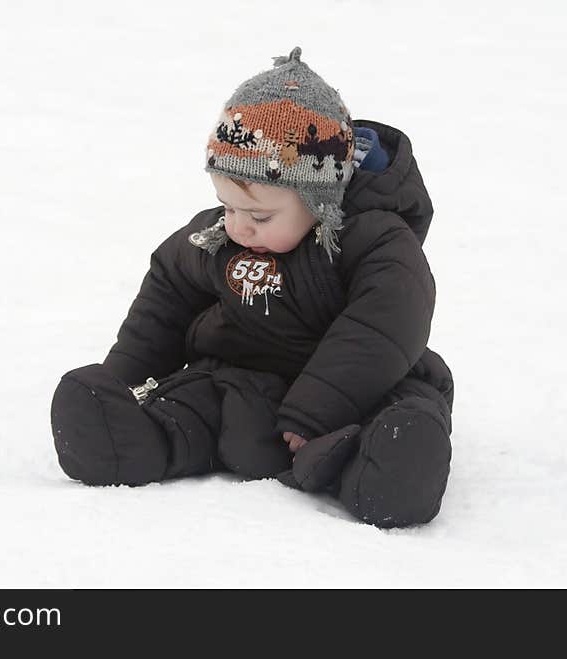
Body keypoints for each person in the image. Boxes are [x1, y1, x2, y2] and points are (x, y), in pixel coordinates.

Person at [50, 47, 454, 528]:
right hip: (243, 384)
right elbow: (166, 300)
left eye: (260, 215)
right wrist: (126, 378)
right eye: (227, 206)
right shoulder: (217, 238)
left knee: (390, 417)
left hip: (353, 393)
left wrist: (319, 408)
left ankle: (391, 471)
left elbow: (386, 324)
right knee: (198, 407)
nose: (239, 227)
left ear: (319, 198)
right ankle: (122, 440)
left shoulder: (375, 241)